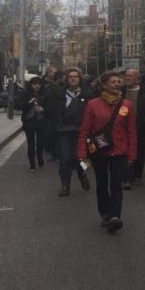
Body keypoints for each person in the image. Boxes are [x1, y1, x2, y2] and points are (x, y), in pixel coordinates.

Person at [78, 72, 137, 233]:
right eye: (113, 82)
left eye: (119, 81)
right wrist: (82, 151)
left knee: (116, 184)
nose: (117, 84)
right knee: (102, 184)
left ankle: (115, 216)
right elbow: (84, 130)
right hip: (100, 151)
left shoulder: (127, 105)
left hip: (119, 151)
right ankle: (105, 213)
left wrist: (132, 154)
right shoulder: (93, 105)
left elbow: (131, 130)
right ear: (104, 85)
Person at [49, 68, 91, 197]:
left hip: (81, 131)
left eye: (76, 76)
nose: (73, 78)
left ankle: (82, 174)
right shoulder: (59, 94)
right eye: (70, 77)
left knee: (80, 158)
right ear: (66, 79)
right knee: (65, 158)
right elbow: (52, 110)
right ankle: (65, 185)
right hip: (64, 131)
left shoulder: (87, 94)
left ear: (80, 79)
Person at [122, 68, 145, 188]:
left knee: (139, 152)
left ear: (137, 78)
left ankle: (137, 175)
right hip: (123, 128)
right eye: (126, 75)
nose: (127, 77)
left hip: (140, 127)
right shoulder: (121, 91)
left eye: (130, 76)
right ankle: (127, 178)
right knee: (124, 152)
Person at [20, 76, 47, 170]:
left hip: (41, 120)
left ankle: (39, 157)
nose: (36, 86)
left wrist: (43, 109)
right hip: (29, 121)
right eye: (34, 84)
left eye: (38, 84)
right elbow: (19, 106)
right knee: (31, 143)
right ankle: (32, 164)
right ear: (31, 85)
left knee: (41, 142)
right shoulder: (26, 94)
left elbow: (50, 107)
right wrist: (29, 103)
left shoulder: (44, 94)